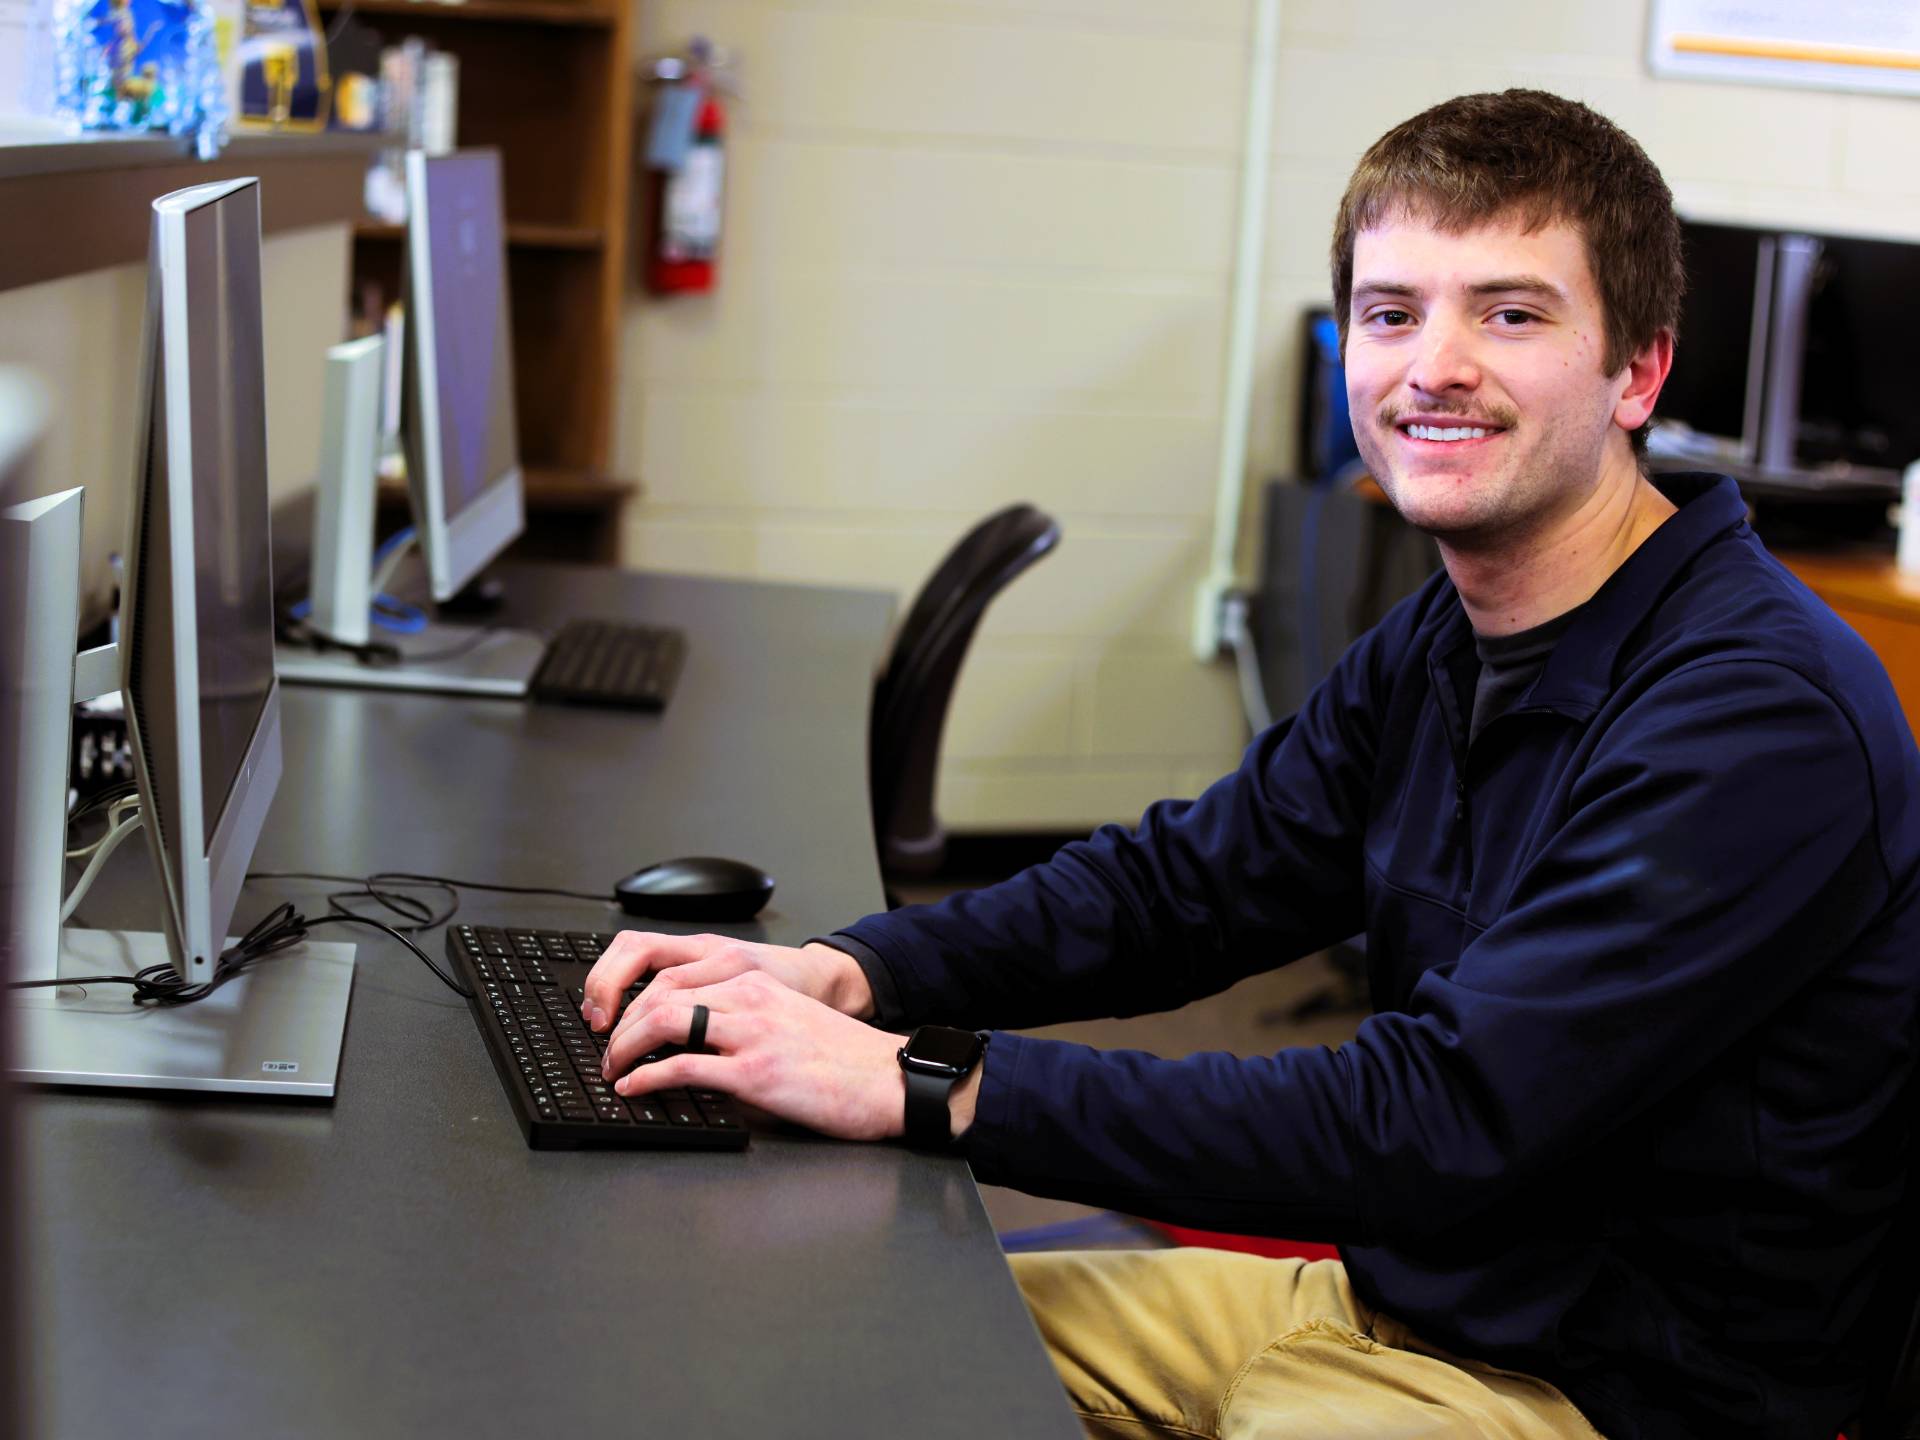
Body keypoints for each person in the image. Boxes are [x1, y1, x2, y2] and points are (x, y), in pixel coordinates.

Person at [583, 90, 1920, 1440]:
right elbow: (1187, 887)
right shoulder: (1455, 636)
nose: (1432, 366)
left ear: (1637, 371)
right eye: (1393, 314)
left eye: (1510, 315)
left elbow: (1433, 1117)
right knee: (835, 1334)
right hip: (1390, 1310)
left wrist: (921, 1081)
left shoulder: (1757, 713)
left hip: (1605, 1400)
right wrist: (854, 971)